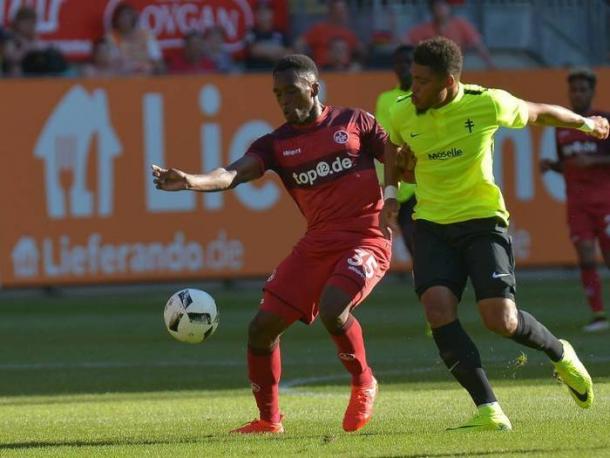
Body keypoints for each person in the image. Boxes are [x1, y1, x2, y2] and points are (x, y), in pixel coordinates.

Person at [152, 54, 391, 434]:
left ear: (314, 88)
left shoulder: (353, 122)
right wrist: (192, 181)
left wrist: (395, 195)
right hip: (317, 244)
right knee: (261, 328)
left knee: (334, 307)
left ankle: (364, 382)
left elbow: (395, 157)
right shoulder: (277, 144)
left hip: (367, 238)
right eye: (278, 93)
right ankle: (269, 420)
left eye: (292, 91)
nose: (284, 100)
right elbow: (232, 173)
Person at [381, 37, 606, 431]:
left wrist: (587, 124)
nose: (411, 88)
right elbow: (392, 150)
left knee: (499, 320)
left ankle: (560, 353)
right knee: (436, 310)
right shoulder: (403, 112)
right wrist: (391, 191)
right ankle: (488, 408)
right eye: (411, 79)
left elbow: (538, 113)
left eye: (420, 81)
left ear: (448, 82)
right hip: (432, 224)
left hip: (483, 222)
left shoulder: (486, 103)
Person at [540, 68, 610, 332]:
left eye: (582, 89)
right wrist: (553, 165)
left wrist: (595, 160)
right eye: (574, 90)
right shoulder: (563, 126)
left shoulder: (604, 121)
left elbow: (591, 160)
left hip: (605, 201)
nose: (578, 94)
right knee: (585, 255)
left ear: (591, 92)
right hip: (577, 204)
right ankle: (598, 315)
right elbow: (570, 163)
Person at [374, 45, 416, 255]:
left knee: (421, 238)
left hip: (424, 181)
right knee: (413, 242)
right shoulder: (385, 100)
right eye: (400, 63)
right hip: (401, 181)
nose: (405, 68)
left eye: (409, 62)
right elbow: (384, 140)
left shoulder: (428, 96)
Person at [406, 0, 494, 69]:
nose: (440, 9)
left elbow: (477, 44)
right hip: (430, 71)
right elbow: (407, 44)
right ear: (432, 9)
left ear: (449, 7)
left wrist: (490, 64)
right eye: (436, 7)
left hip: (456, 69)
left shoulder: (461, 25)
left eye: (443, 6)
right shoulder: (423, 29)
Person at [294, 0, 365, 69]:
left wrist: (357, 64)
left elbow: (361, 51)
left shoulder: (349, 33)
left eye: (343, 10)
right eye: (339, 11)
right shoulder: (319, 29)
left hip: (344, 72)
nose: (342, 13)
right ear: (331, 12)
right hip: (322, 71)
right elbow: (299, 44)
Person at [105, 2, 164, 75]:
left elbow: (156, 59)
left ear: (133, 18)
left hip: (147, 77)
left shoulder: (146, 35)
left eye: (128, 16)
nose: (125, 20)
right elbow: (111, 63)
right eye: (122, 17)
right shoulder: (111, 38)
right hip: (122, 78)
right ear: (116, 20)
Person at [243, 2, 291, 71]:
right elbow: (253, 51)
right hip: (255, 74)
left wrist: (265, 49)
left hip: (276, 74)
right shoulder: (251, 32)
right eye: (260, 12)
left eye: (266, 12)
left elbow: (289, 53)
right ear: (256, 15)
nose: (263, 15)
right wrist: (277, 51)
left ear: (272, 13)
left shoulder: (280, 33)